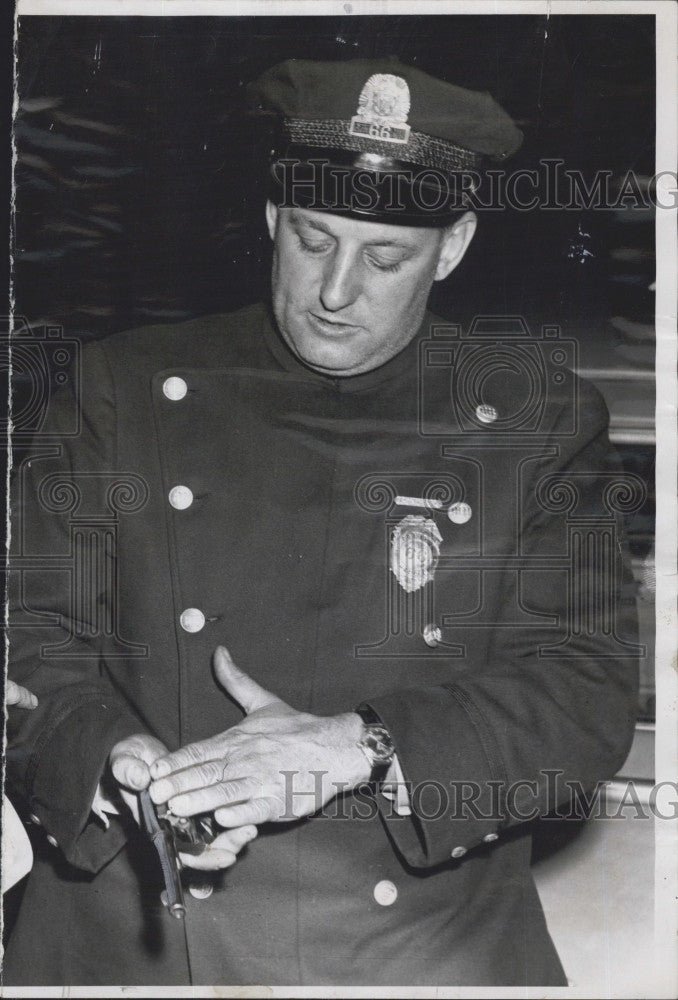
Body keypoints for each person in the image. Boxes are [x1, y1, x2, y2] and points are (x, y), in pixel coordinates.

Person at [5, 56, 638, 987]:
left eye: (385, 258)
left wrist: (354, 745)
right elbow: (29, 632)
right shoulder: (121, 386)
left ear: (453, 246)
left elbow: (583, 692)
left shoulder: (537, 422)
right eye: (312, 238)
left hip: (415, 944)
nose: (336, 291)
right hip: (140, 935)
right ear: (271, 217)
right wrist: (111, 761)